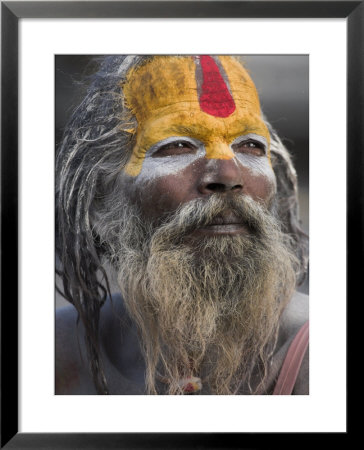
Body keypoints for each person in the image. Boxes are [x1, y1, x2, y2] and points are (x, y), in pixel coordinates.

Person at [55, 55, 309, 395]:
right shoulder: (54, 353)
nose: (228, 175)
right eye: (178, 145)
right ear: (101, 202)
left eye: (249, 145)